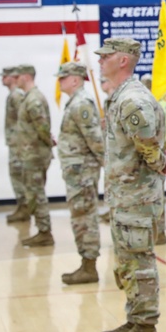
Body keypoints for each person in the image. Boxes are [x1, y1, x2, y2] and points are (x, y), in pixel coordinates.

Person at [95, 37, 166, 332]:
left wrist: (159, 164)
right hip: (125, 196)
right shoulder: (120, 97)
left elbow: (148, 143)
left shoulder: (133, 100)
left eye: (106, 56)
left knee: (138, 262)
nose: (100, 61)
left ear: (123, 60)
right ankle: (135, 318)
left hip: (137, 198)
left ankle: (145, 327)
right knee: (126, 262)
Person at [56, 62, 105, 284]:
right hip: (77, 170)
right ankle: (86, 264)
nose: (60, 81)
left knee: (84, 217)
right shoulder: (75, 103)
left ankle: (89, 266)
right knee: (80, 216)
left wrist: (108, 165)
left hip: (83, 171)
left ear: (75, 79)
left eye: (63, 77)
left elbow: (95, 139)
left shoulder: (81, 104)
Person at [15, 64, 55, 247]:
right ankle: (42, 229)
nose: (16, 80)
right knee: (33, 193)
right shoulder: (29, 98)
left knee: (36, 194)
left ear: (26, 77)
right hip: (31, 153)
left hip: (36, 155)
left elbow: (43, 127)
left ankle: (45, 232)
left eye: (18, 77)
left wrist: (48, 143)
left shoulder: (34, 100)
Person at [2, 66, 28, 223]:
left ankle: (24, 207)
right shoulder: (13, 95)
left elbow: (23, 119)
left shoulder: (17, 96)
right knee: (15, 175)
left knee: (18, 175)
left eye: (5, 76)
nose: (2, 79)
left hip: (19, 143)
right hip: (15, 141)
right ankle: (21, 206)